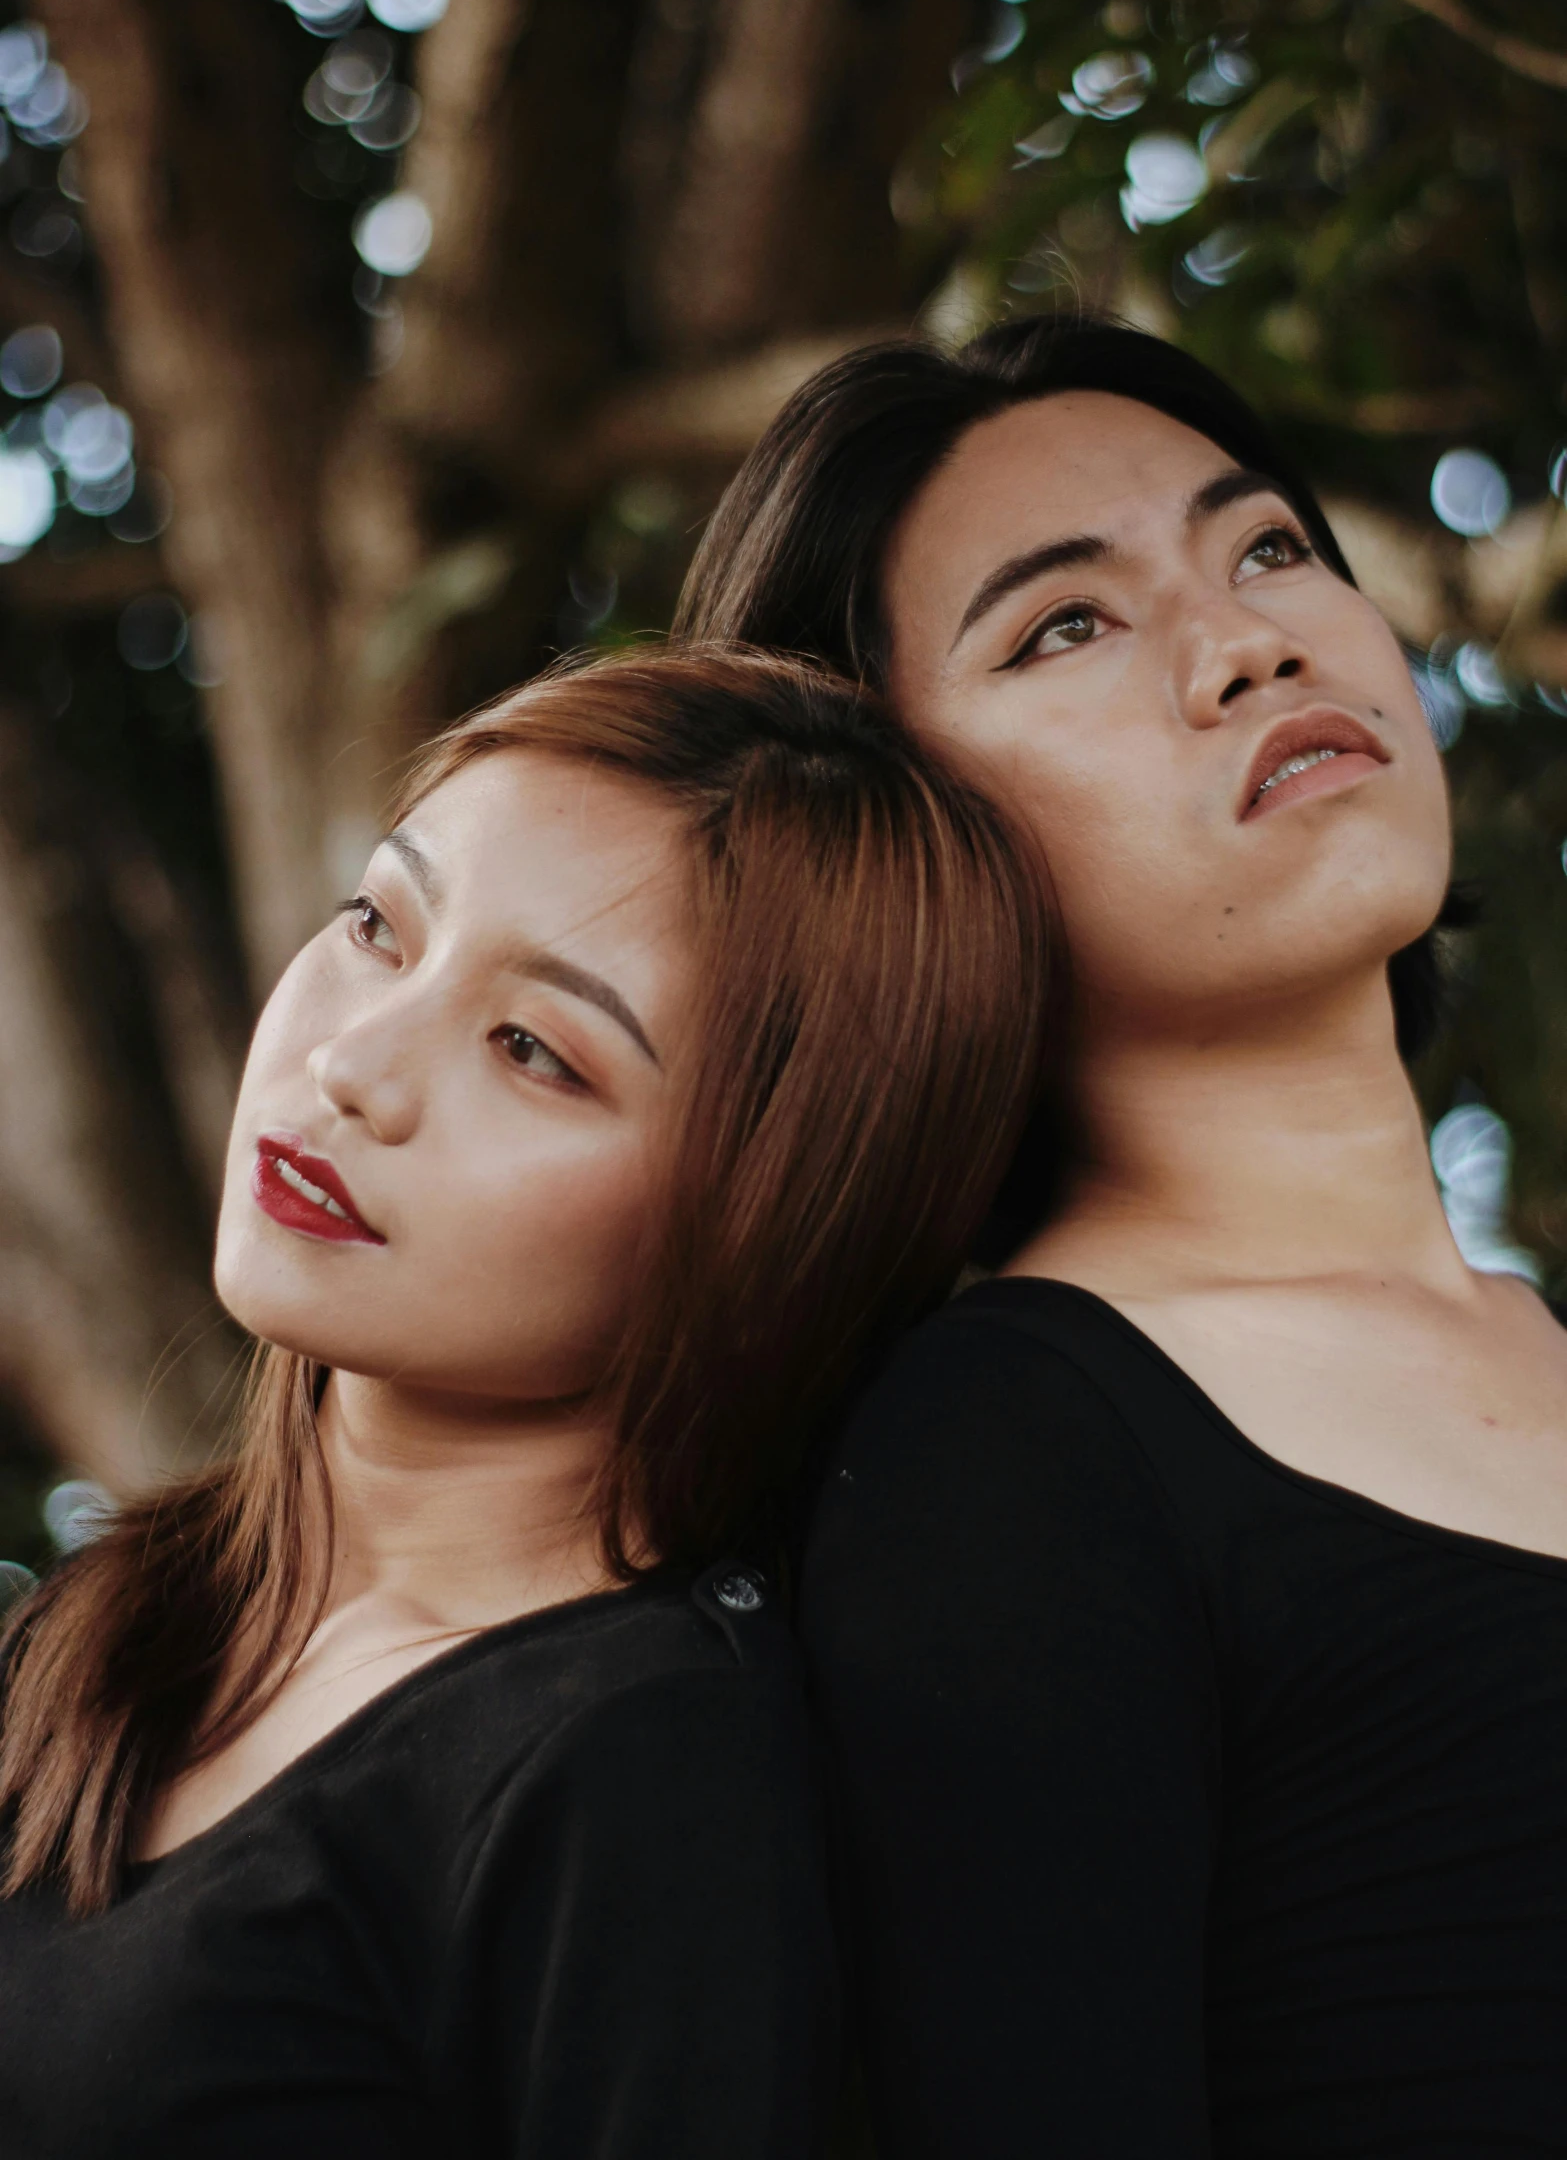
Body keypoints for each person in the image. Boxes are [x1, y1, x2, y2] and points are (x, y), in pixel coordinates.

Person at [675, 314, 1567, 2155]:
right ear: (897, 844)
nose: (1251, 640)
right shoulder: (994, 1461)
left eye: (1264, 547)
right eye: (1061, 625)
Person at [0, 646, 1048, 2160]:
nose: (354, 1064)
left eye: (535, 1050)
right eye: (378, 923)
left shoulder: (640, 1772)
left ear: (770, 1223)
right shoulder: (104, 1626)